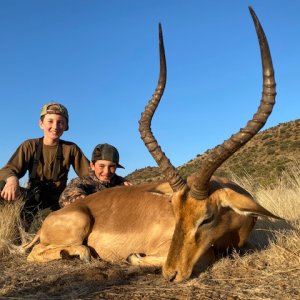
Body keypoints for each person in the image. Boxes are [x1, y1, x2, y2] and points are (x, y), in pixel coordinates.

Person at [0, 102, 90, 231]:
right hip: (30, 195)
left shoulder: (71, 149)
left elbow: (90, 175)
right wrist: (12, 179)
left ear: (66, 126)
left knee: (36, 227)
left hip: (55, 200)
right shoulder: (29, 145)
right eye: (50, 121)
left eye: (60, 122)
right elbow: (8, 169)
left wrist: (120, 181)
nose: (55, 126)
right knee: (2, 185)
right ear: (41, 124)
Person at [59, 143, 131, 207]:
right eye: (101, 166)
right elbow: (65, 198)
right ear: (92, 165)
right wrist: (79, 198)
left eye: (111, 166)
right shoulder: (81, 182)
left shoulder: (122, 184)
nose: (106, 171)